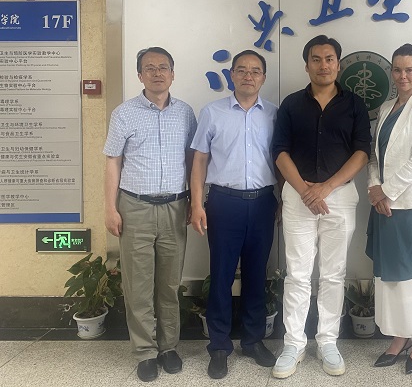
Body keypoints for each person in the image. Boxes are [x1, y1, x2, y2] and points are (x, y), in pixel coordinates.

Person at [270, 35, 371, 379]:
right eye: (316, 59)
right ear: (307, 65)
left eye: (329, 59)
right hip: (298, 196)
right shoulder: (291, 104)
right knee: (298, 274)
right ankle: (293, 344)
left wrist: (326, 188)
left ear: (338, 65)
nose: (323, 65)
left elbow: (362, 152)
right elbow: (279, 151)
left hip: (339, 197)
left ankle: (327, 341)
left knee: (332, 274)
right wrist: (305, 191)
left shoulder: (354, 104)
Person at [103, 46, 196, 383]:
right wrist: (109, 207)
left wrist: (194, 199)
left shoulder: (185, 113)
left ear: (172, 73)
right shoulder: (124, 113)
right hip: (135, 207)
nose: (157, 73)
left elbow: (192, 160)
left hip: (175, 206)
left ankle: (168, 348)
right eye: (150, 68)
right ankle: (145, 352)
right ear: (140, 75)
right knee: (139, 285)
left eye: (163, 67)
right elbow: (113, 161)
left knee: (169, 284)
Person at [189, 50, 280, 380]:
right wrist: (196, 204)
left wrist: (282, 200)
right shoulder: (212, 112)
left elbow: (281, 160)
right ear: (232, 75)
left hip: (263, 202)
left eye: (255, 71)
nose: (248, 76)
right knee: (222, 275)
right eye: (241, 70)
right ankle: (219, 346)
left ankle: (253, 341)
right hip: (223, 203)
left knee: (257, 274)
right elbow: (199, 160)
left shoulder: (274, 114)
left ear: (263, 77)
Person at [365, 43, 412, 375]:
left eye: (409, 69)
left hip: (411, 205)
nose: (402, 75)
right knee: (389, 276)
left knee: (411, 275)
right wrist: (374, 190)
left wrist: (386, 192)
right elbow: (374, 157)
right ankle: (399, 336)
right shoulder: (385, 108)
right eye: (397, 69)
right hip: (383, 203)